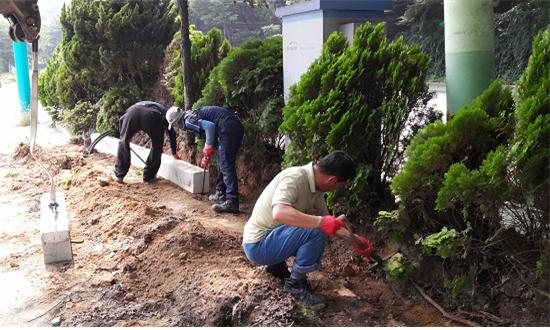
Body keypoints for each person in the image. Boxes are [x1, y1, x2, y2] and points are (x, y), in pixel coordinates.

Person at [242, 151, 365, 306]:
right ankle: (295, 285)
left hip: (271, 240)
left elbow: (329, 224)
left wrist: (356, 240)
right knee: (315, 230)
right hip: (258, 245)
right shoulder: (295, 178)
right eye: (341, 184)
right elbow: (279, 212)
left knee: (316, 227)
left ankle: (276, 266)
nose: (339, 188)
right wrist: (321, 222)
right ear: (332, 180)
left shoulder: (316, 189)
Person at [166, 105, 244, 213]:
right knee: (222, 161)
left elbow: (210, 127)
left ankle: (232, 201)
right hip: (232, 126)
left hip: (228, 127)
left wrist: (207, 150)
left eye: (175, 125)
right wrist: (208, 150)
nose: (177, 127)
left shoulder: (188, 120)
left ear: (176, 122)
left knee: (226, 164)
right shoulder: (190, 115)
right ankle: (221, 192)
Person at [113, 101, 180, 184]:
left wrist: (123, 136)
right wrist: (174, 152)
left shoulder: (157, 107)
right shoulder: (166, 114)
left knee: (123, 142)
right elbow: (171, 132)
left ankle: (119, 175)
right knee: (157, 145)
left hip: (133, 111)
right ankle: (149, 177)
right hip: (152, 115)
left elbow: (121, 120)